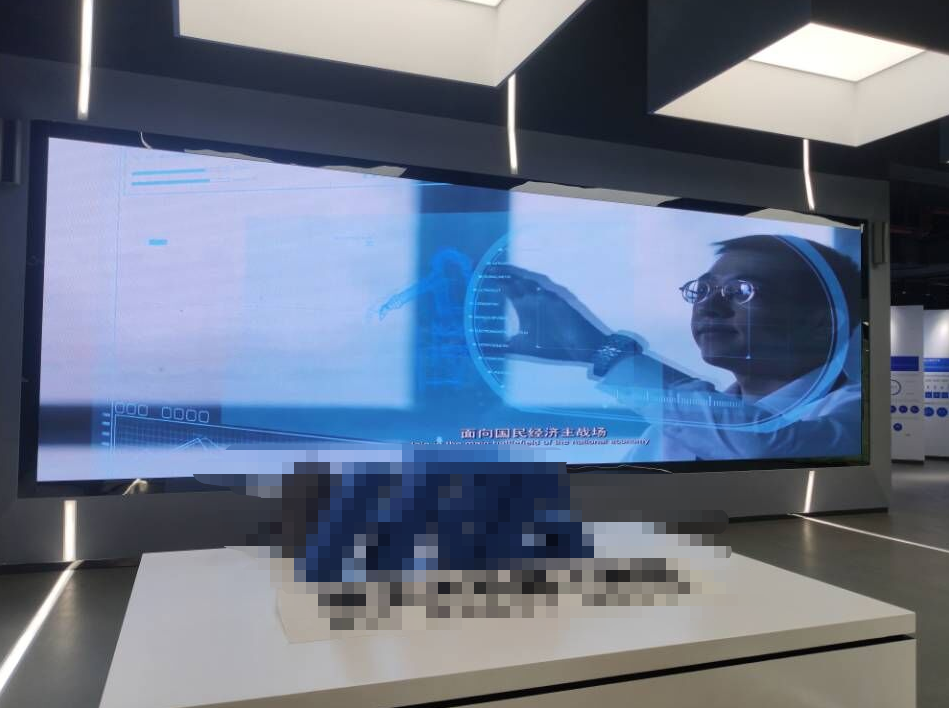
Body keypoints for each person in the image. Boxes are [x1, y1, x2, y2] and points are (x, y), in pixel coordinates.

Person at [495, 235, 862, 462]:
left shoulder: (860, 414)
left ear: (823, 323)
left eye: (740, 291)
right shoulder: (671, 428)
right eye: (701, 289)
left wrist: (601, 351)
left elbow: (762, 448)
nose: (708, 306)